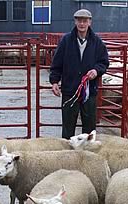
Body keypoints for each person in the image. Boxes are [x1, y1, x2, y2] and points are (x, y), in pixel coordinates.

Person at [49, 9, 109, 139]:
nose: (82, 24)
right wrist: (54, 81)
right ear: (75, 21)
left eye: (85, 21)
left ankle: (87, 154)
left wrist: (96, 70)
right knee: (68, 125)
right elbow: (57, 63)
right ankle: (67, 154)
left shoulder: (97, 42)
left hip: (89, 91)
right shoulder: (66, 40)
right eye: (79, 20)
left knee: (89, 126)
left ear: (90, 22)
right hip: (70, 90)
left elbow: (104, 62)